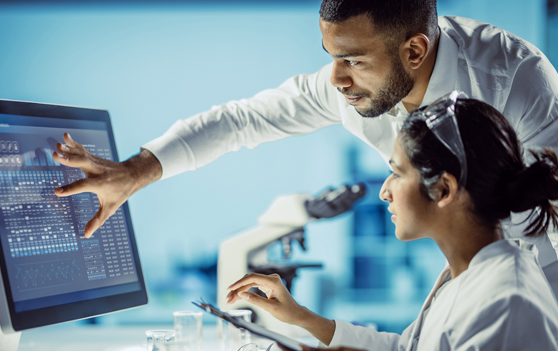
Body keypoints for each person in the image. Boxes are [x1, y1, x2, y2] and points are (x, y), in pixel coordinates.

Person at [52, 0, 558, 291]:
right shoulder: (346, 84)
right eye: (331, 55)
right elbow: (241, 120)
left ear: (415, 50)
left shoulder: (516, 79)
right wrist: (138, 170)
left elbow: (545, 220)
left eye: (354, 60)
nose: (336, 79)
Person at [225, 95, 558, 350]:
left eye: (397, 173)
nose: (384, 191)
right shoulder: (468, 274)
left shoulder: (507, 304)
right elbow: (405, 348)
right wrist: (300, 318)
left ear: (443, 189)